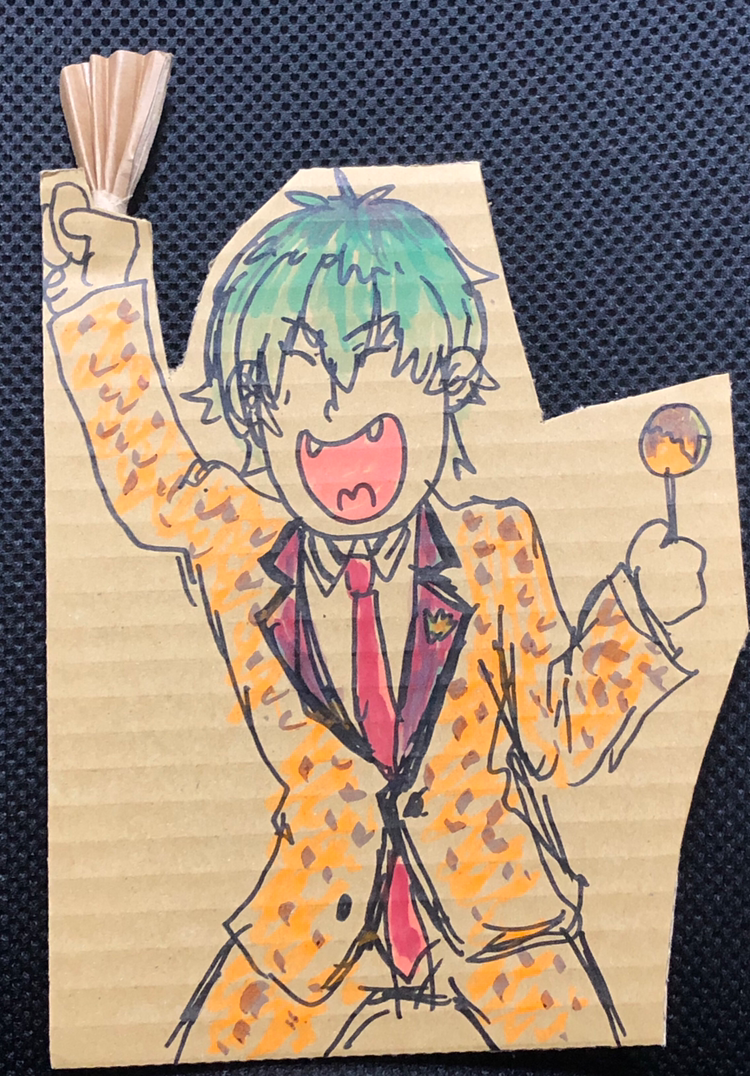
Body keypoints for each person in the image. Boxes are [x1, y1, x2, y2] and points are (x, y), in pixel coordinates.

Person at [43, 169, 706, 1061]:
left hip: (504, 920)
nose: (339, 433)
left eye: (377, 406)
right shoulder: (238, 547)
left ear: (448, 383)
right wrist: (102, 289)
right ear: (257, 416)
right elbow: (149, 471)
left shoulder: (495, 545)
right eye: (299, 407)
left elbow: (561, 735)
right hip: (307, 927)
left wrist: (644, 614)